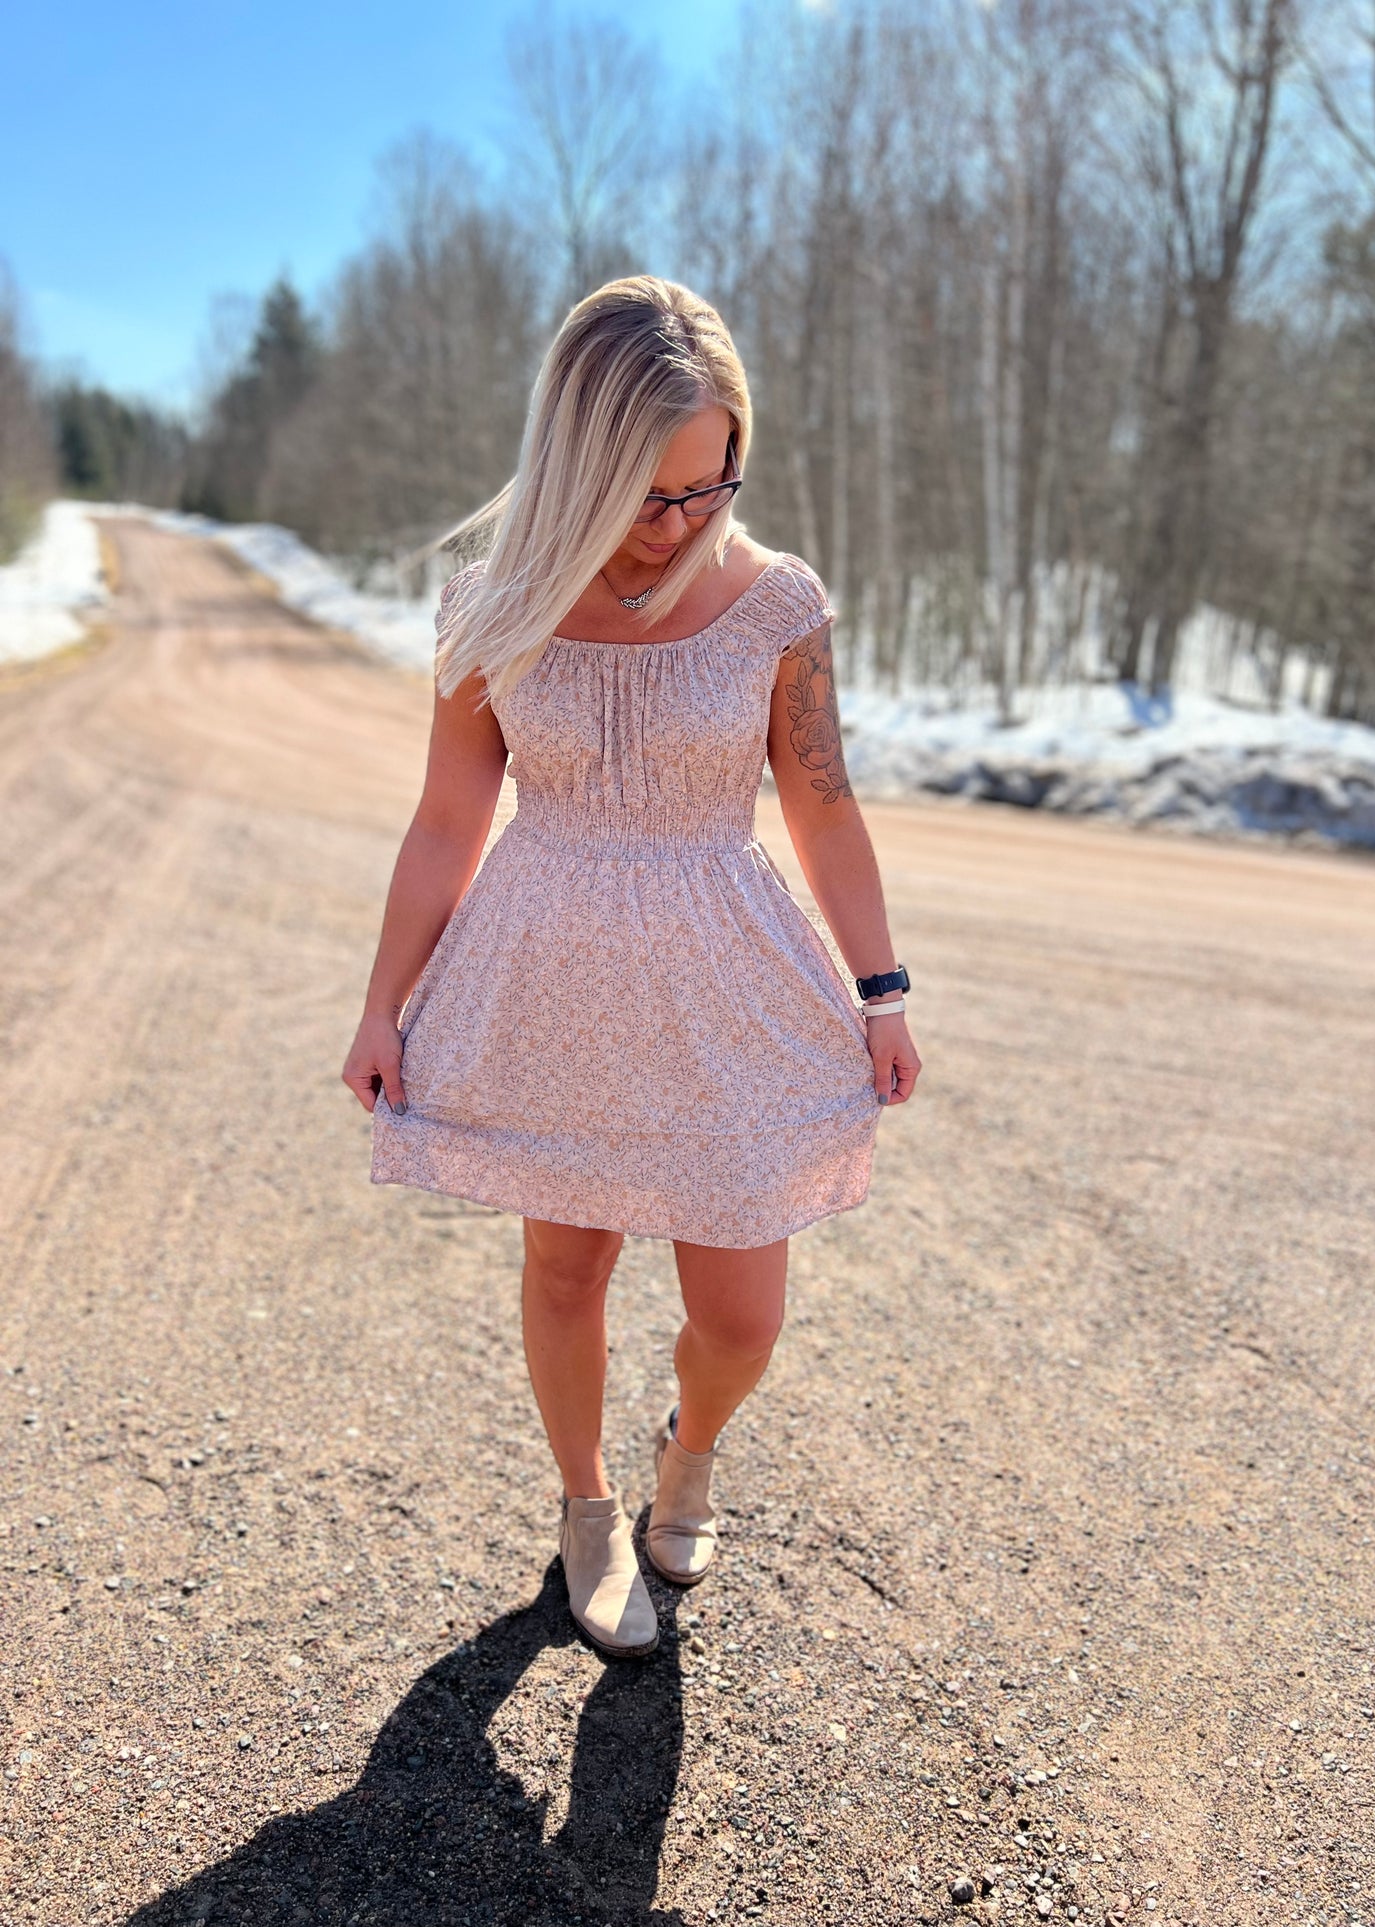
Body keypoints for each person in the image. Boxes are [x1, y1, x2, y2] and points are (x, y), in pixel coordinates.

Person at [342, 277, 921, 1659]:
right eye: (647, 494)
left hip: (728, 976)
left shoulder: (775, 604)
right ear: (577, 465)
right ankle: (586, 1506)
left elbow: (824, 806)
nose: (678, 525)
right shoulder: (491, 606)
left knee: (739, 1311)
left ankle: (690, 1451)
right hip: (550, 974)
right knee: (566, 1266)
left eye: (709, 487)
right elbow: (444, 821)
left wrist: (882, 986)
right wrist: (381, 1002)